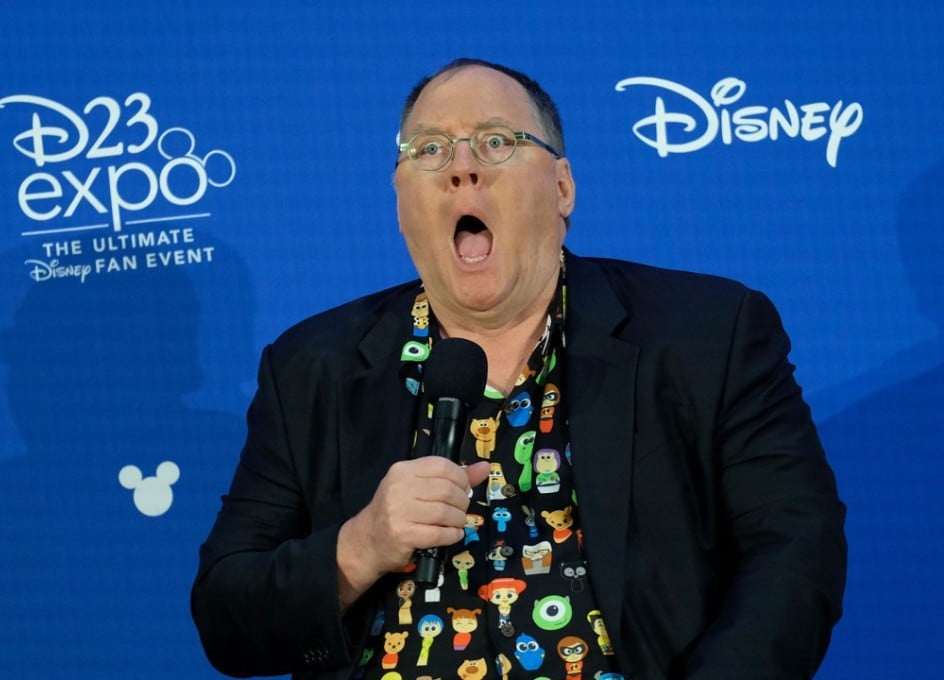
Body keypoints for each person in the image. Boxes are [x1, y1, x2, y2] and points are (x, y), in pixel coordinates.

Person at [191, 58, 847, 679]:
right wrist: (359, 547)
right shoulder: (313, 368)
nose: (462, 170)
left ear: (562, 187)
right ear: (400, 202)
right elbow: (225, 615)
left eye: (496, 142)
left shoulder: (707, 334)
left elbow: (794, 553)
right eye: (430, 150)